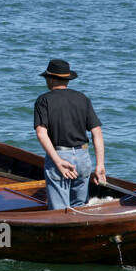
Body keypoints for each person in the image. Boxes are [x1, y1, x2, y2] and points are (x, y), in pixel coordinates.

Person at [33, 59, 106, 209]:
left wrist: (58, 162)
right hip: (83, 157)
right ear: (67, 79)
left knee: (59, 211)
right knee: (80, 208)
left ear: (51, 78)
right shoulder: (82, 99)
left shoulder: (43, 100)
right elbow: (97, 132)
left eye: (47, 77)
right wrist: (100, 165)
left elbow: (41, 133)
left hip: (60, 156)